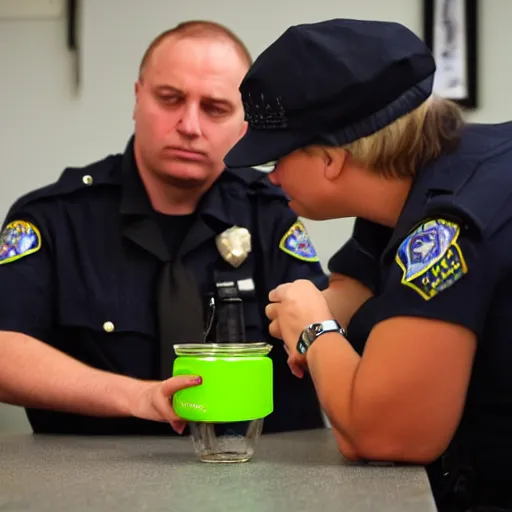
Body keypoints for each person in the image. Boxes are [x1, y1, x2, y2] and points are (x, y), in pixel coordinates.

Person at [224, 17, 512, 512]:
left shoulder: (452, 224)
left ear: (331, 160)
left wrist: (314, 332)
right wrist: (315, 316)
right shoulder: (426, 173)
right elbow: (358, 289)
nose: (271, 179)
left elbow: (388, 434)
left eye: (276, 160)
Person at [0, 20, 328, 437]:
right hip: (94, 483)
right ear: (138, 98)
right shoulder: (55, 218)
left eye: (215, 109)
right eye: (171, 99)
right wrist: (135, 397)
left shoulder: (272, 211)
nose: (189, 126)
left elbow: (324, 332)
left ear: (244, 122)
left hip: (257, 477)